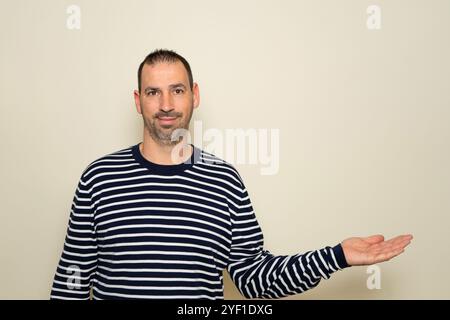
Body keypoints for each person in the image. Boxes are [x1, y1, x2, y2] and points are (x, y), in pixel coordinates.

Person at [50, 49, 413, 300]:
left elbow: (255, 279)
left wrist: (337, 256)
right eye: (153, 92)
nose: (165, 104)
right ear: (137, 100)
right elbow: (71, 284)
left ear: (194, 95)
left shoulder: (224, 181)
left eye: (177, 90)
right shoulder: (99, 179)